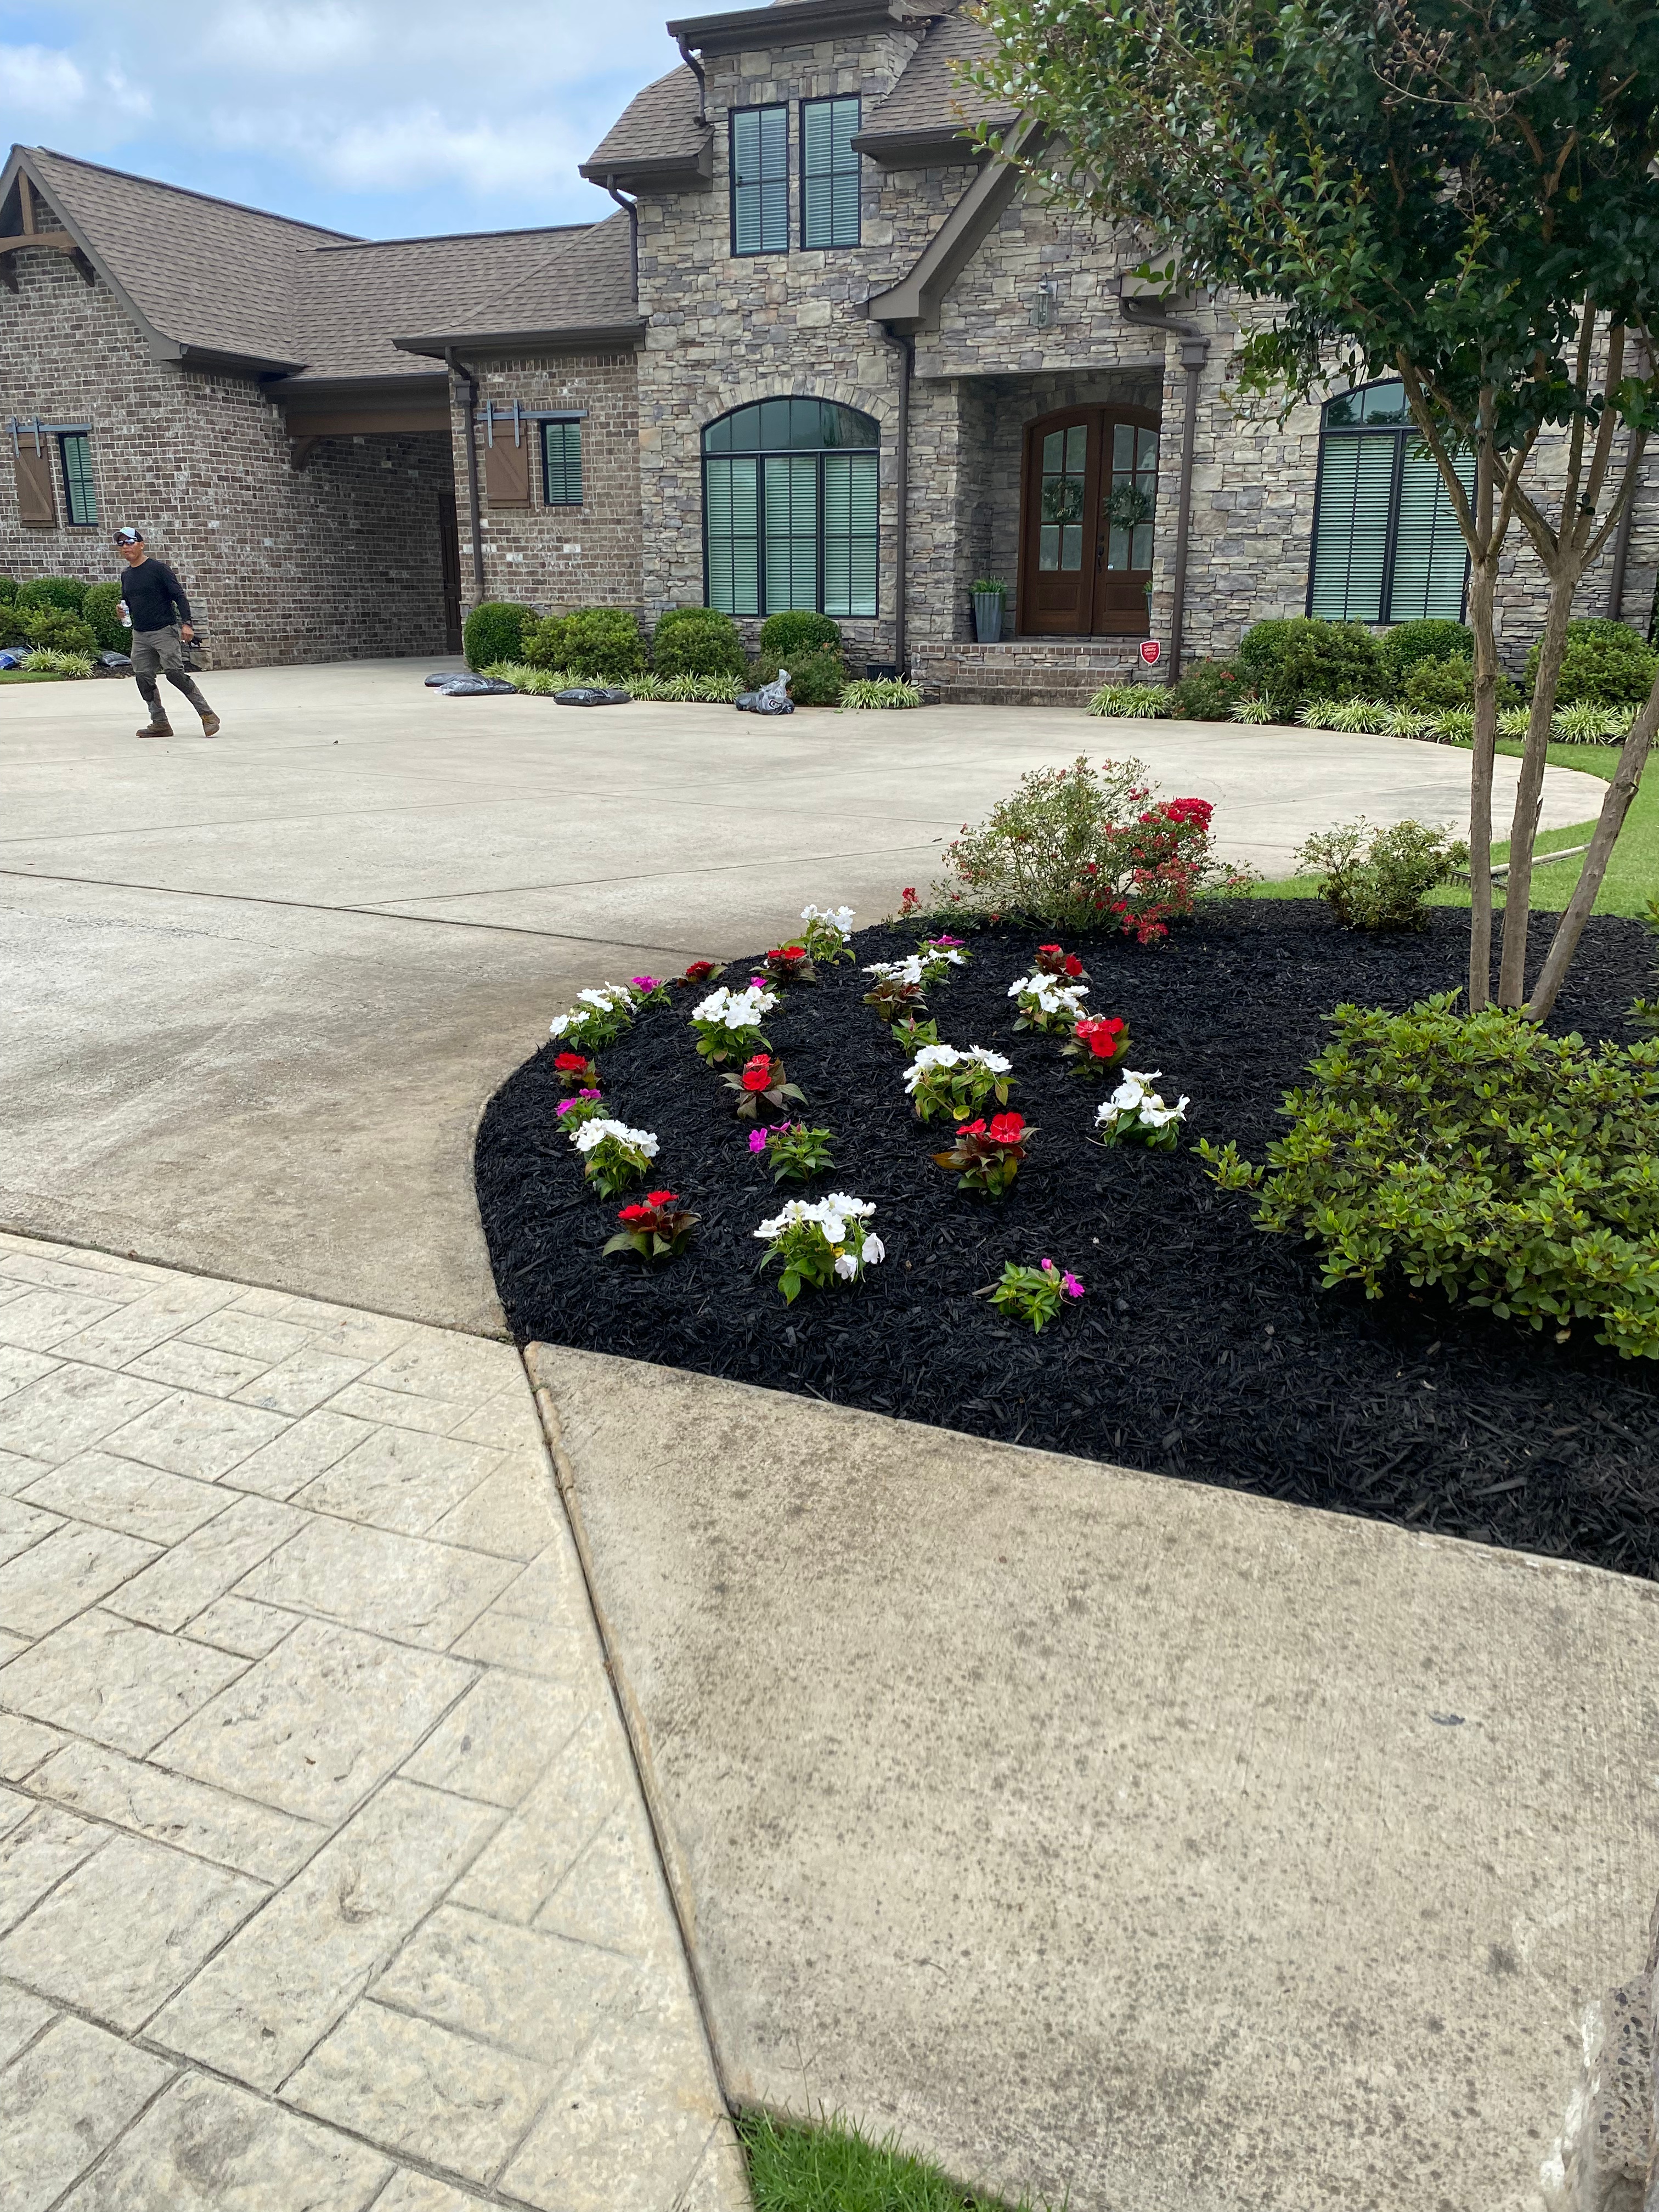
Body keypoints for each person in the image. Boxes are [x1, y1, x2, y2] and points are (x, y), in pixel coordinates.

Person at [113, 527, 219, 738]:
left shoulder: (158, 569)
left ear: (141, 545)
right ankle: (160, 723)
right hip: (140, 634)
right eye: (121, 543)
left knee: (175, 674)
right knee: (143, 678)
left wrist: (187, 624)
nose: (126, 547)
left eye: (130, 542)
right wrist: (123, 611)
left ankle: (208, 716)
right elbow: (129, 602)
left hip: (164, 630)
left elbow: (179, 596)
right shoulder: (127, 575)